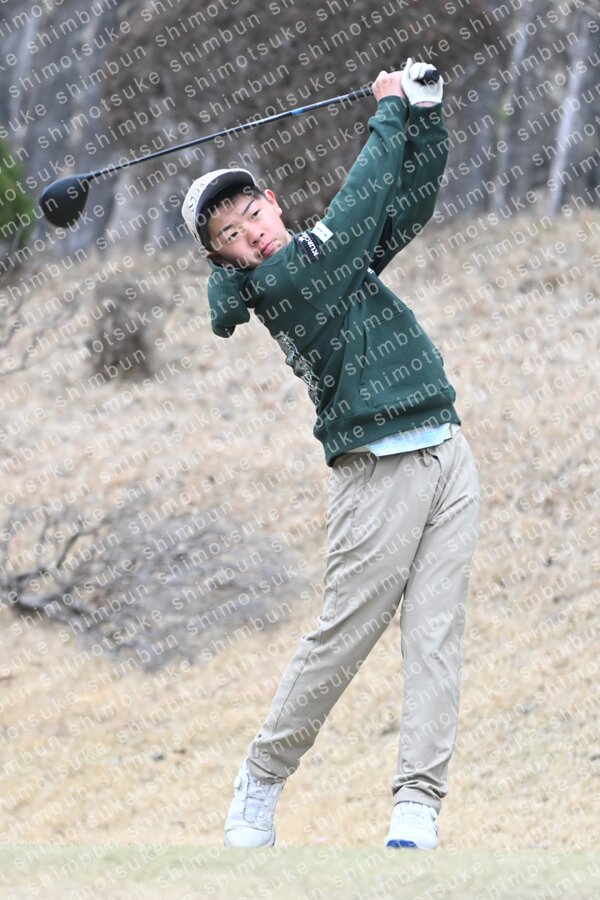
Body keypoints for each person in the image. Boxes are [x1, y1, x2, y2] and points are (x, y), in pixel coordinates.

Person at [181, 60, 481, 850]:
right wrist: (388, 114)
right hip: (376, 472)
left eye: (251, 213)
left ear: (273, 202)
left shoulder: (329, 257)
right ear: (226, 260)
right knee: (343, 639)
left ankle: (417, 807)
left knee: (435, 639)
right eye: (230, 235)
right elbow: (357, 210)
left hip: (447, 452)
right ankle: (260, 780)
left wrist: (426, 115)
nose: (250, 233)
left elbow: (405, 205)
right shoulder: (282, 282)